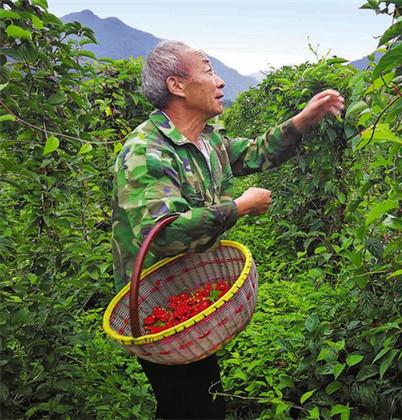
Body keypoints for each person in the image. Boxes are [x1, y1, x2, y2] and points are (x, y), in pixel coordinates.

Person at [111, 40, 344, 419]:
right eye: (208, 71)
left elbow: (253, 153)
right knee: (191, 404)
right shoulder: (147, 152)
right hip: (156, 300)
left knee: (196, 394)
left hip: (188, 288)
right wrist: (237, 208)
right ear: (177, 85)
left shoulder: (206, 140)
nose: (220, 83)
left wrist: (303, 120)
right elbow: (164, 233)